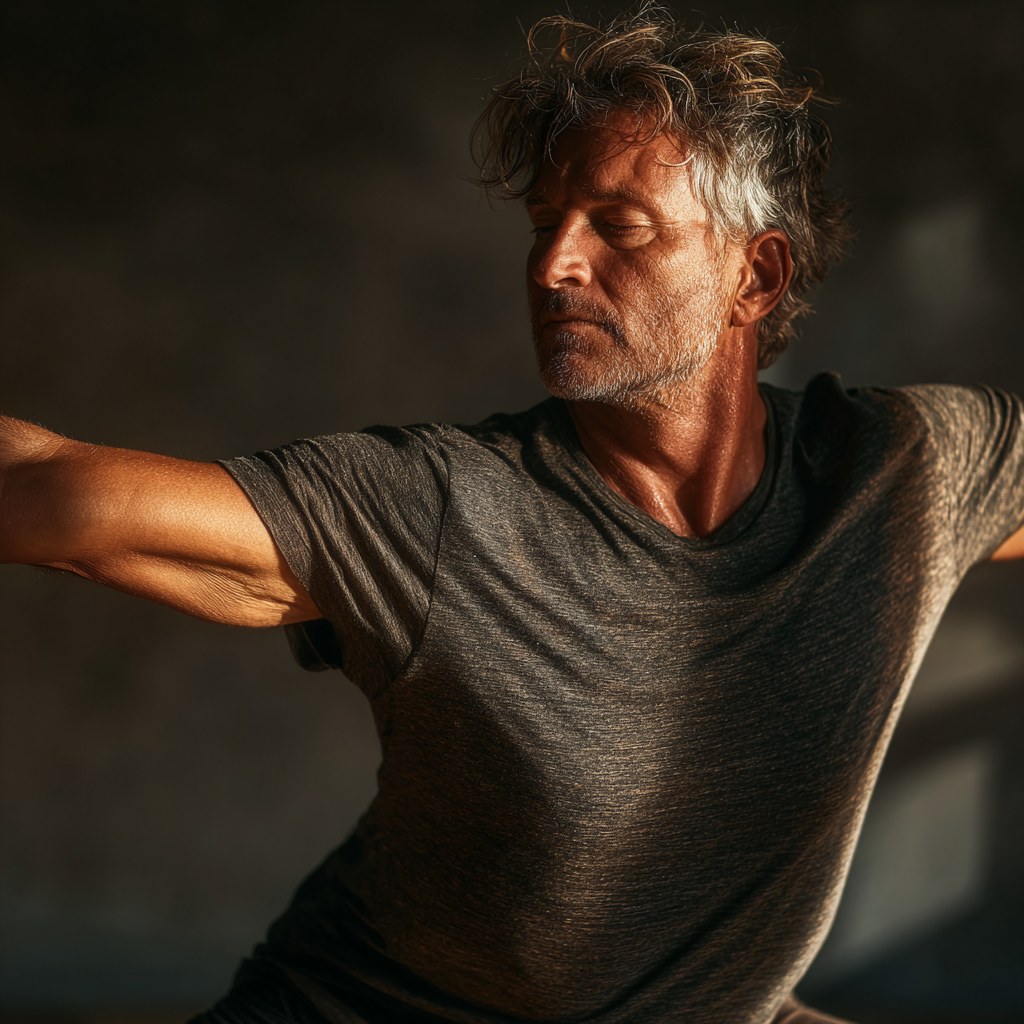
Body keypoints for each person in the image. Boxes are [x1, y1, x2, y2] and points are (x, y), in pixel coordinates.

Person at [2, 11, 1023, 1024]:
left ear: (753, 277)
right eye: (545, 224)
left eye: (617, 227)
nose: (552, 266)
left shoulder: (899, 476)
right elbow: (56, 491)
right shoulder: (441, 509)